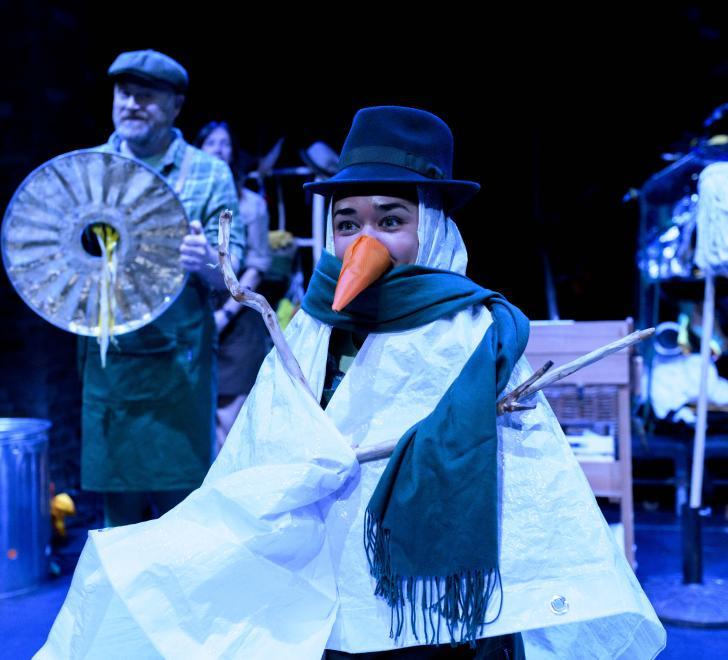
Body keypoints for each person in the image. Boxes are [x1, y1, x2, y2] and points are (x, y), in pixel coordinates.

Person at [39, 107, 664, 659]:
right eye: (347, 222)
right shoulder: (312, 324)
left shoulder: (471, 332)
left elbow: (528, 489)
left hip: (437, 610)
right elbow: (261, 448)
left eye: (391, 219)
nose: (364, 239)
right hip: (327, 585)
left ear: (432, 228)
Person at [78, 50, 245, 527]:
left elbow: (232, 274)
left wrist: (207, 262)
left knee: (185, 520)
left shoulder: (208, 173)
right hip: (112, 364)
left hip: (181, 365)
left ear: (175, 106)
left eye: (146, 96)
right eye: (124, 93)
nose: (132, 104)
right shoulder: (90, 170)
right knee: (119, 526)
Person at [195, 121, 272, 450]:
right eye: (210, 142)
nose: (218, 149)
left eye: (224, 143)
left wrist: (228, 311)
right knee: (193, 418)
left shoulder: (251, 204)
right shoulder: (189, 205)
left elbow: (258, 262)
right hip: (195, 314)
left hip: (237, 318)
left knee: (229, 420)